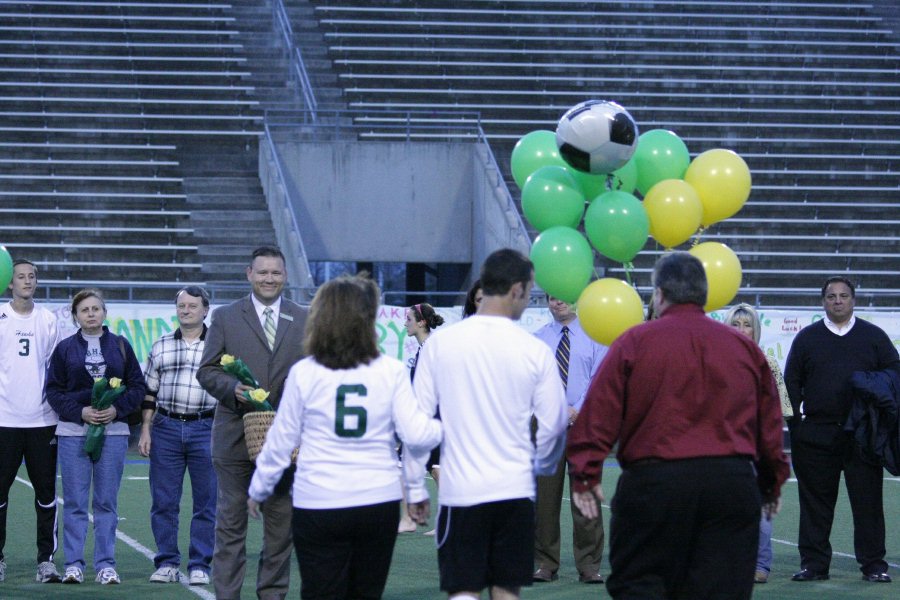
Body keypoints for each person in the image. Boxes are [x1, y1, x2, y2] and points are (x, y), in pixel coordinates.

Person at [567, 252, 790, 600]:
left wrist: (585, 474)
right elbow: (769, 424)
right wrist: (772, 482)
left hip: (654, 485)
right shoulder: (744, 350)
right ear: (705, 295)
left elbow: (598, 415)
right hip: (729, 485)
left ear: (659, 295)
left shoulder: (633, 342)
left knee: (643, 587)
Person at [247, 274, 442, 600]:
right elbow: (416, 434)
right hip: (376, 501)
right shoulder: (390, 371)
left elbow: (281, 442)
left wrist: (259, 488)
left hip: (319, 500)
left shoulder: (305, 372)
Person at [407, 248, 568, 600]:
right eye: (530, 292)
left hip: (461, 491)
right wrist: (536, 467)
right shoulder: (534, 349)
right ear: (517, 290)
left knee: (463, 590)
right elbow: (554, 425)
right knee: (507, 590)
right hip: (513, 489)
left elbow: (417, 424)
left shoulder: (441, 345)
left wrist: (414, 485)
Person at [197, 245, 308, 600]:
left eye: (276, 273)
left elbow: (315, 371)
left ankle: (272, 596)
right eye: (262, 272)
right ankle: (227, 596)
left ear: (285, 276)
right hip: (233, 439)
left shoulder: (304, 317)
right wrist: (234, 389)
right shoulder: (226, 317)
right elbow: (207, 370)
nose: (269, 279)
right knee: (230, 527)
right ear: (249, 274)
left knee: (281, 529)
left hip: (285, 443)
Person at [784, 276, 899, 583]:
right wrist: (796, 425)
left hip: (862, 437)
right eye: (832, 296)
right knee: (815, 507)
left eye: (843, 296)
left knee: (869, 504)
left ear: (853, 300)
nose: (837, 301)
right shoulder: (807, 338)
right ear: (823, 301)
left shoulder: (873, 336)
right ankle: (814, 565)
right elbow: (790, 382)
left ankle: (874, 565)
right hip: (816, 434)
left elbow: (894, 374)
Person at [46, 288, 147, 585]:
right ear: (75, 316)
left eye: (95, 309)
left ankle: (105, 565)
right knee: (76, 502)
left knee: (106, 502)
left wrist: (117, 410)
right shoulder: (65, 348)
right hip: (73, 433)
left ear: (104, 312)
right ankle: (74, 565)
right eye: (84, 310)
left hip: (113, 434)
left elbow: (137, 387)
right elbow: (53, 391)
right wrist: (81, 412)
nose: (91, 314)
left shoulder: (121, 345)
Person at [139, 286, 217, 586]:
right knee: (164, 501)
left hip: (206, 428)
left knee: (207, 502)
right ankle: (167, 562)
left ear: (205, 310)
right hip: (166, 429)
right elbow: (149, 392)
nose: (186, 310)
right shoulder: (160, 346)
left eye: (192, 306)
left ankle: (200, 564)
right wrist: (145, 428)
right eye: (181, 305)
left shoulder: (219, 348)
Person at [532, 295, 607, 584]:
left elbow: (599, 377)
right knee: (545, 499)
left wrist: (577, 408)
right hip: (546, 425)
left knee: (585, 496)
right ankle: (545, 564)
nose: (557, 302)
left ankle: (589, 565)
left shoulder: (596, 336)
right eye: (551, 297)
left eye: (563, 296)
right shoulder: (538, 339)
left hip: (585, 423)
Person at [0, 259, 61, 584]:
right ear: (10, 283)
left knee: (46, 493)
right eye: (21, 277)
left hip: (42, 422)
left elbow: (56, 369)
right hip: (4, 422)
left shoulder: (48, 320)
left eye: (32, 276)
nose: (27, 281)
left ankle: (46, 561)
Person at [724, 303, 793, 584]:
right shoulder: (716, 360)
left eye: (747, 324)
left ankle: (761, 564)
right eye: (736, 324)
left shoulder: (769, 363)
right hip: (722, 446)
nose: (742, 330)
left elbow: (782, 409)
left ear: (756, 329)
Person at [398, 302, 445, 534]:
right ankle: (410, 518)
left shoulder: (431, 348)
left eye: (408, 319)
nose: (405, 323)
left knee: (435, 467)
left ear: (421, 322)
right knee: (426, 466)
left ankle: (443, 518)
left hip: (431, 417)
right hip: (425, 416)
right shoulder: (424, 347)